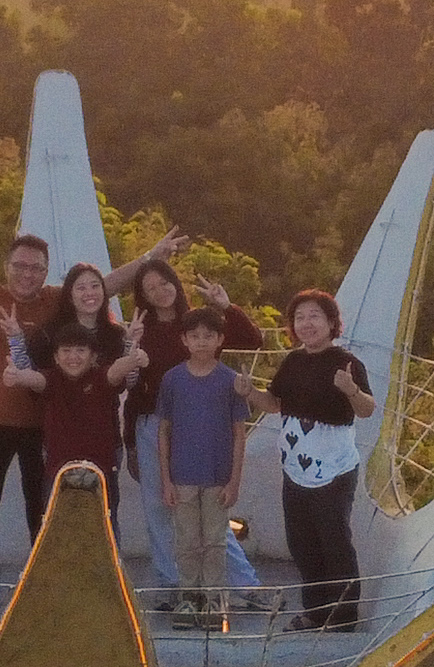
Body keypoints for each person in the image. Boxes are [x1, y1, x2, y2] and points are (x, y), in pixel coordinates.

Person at [0, 196, 181, 605]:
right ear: (7, 267)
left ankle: (42, 572)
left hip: (43, 422)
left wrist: (149, 258)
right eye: (21, 265)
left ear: (46, 272)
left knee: (42, 502)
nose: (28, 274)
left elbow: (101, 288)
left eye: (36, 267)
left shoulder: (54, 300)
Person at [118, 257, 258, 587]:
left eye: (165, 283)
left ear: (175, 283)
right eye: (150, 288)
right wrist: (132, 442)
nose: (160, 291)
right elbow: (133, 388)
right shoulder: (140, 331)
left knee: (213, 515)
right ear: (142, 295)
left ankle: (245, 585)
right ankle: (173, 584)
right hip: (155, 427)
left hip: (204, 428)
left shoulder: (197, 323)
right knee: (159, 509)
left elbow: (251, 341)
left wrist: (227, 307)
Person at [266, 287, 377, 630]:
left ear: (331, 323)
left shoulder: (346, 363)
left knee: (335, 543)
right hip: (295, 468)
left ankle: (343, 619)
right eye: (299, 317)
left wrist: (351, 390)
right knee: (302, 543)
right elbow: (275, 403)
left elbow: (367, 410)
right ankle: (315, 612)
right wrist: (247, 393)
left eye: (314, 316)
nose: (306, 323)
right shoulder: (294, 361)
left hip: (334, 471)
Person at [148, 306, 254, 624]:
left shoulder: (230, 381)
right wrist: (165, 480)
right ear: (184, 340)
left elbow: (239, 433)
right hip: (182, 478)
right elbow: (164, 431)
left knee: (215, 540)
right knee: (187, 541)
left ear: (221, 339)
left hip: (217, 479)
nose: (202, 342)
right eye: (195, 336)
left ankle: (213, 600)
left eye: (209, 336)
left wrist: (234, 481)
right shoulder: (172, 379)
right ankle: (189, 598)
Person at [5, 327, 126, 491]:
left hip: (101, 471)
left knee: (107, 517)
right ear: (56, 357)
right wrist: (18, 377)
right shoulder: (51, 379)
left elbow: (116, 371)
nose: (73, 357)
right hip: (58, 472)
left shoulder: (101, 378)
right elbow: (35, 380)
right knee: (55, 517)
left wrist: (132, 359)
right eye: (66, 351)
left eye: (81, 351)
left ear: (93, 357)